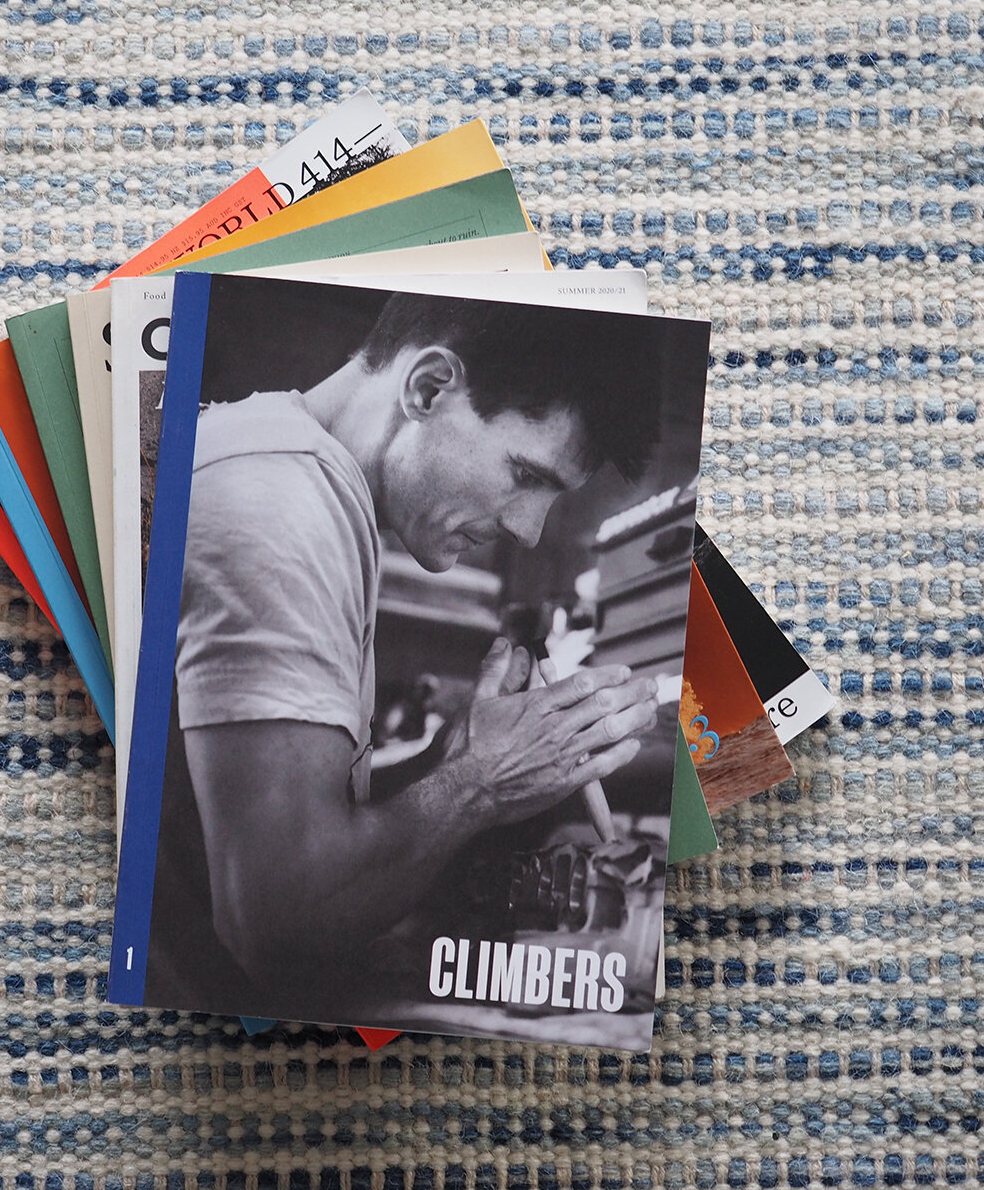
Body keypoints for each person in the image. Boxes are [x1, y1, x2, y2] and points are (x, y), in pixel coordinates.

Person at [145, 293, 662, 1012]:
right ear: (428, 388)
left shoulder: (278, 456)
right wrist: (479, 783)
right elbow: (275, 924)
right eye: (526, 476)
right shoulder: (281, 507)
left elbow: (276, 815)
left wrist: (454, 756)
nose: (531, 531)